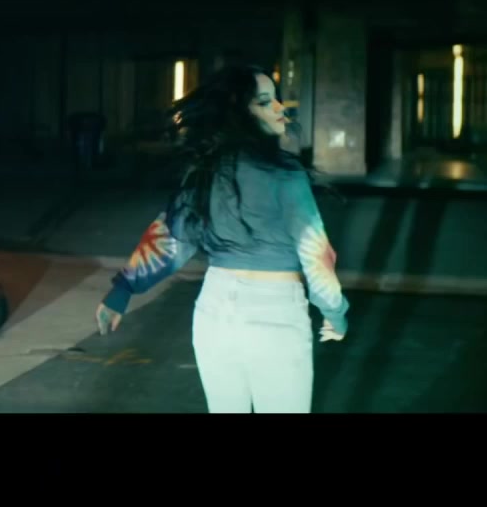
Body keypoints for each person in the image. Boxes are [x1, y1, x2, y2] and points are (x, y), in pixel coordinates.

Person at [95, 64, 348, 413]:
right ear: (241, 113)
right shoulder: (285, 173)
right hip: (275, 316)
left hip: (214, 315)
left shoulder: (205, 170)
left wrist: (122, 290)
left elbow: (170, 239)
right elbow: (315, 253)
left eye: (276, 99)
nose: (279, 108)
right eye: (265, 102)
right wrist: (334, 312)